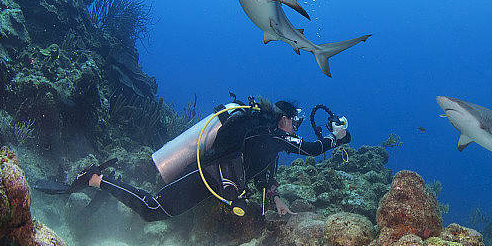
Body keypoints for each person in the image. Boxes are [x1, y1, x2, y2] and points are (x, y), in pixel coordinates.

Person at [70, 98, 350, 221]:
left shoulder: (268, 139)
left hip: (212, 180)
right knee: (152, 210)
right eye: (296, 123)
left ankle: (103, 181)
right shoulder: (273, 135)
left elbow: (261, 170)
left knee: (155, 210)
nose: (296, 129)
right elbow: (312, 149)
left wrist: (275, 199)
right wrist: (337, 138)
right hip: (207, 175)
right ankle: (96, 179)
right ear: (284, 120)